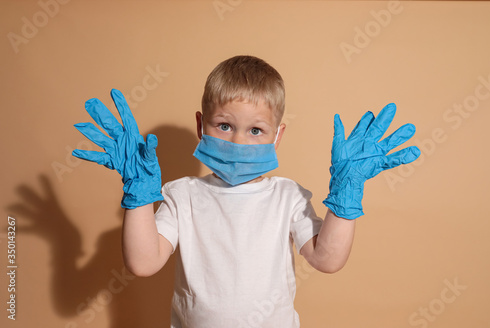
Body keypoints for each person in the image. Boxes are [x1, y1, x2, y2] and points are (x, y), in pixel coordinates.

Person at [72, 55, 420, 327]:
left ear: (277, 137)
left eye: (256, 130)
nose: (238, 140)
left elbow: (327, 259)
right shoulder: (182, 195)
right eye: (224, 125)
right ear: (201, 126)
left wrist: (347, 194)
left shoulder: (288, 196)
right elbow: (143, 262)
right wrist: (138, 193)